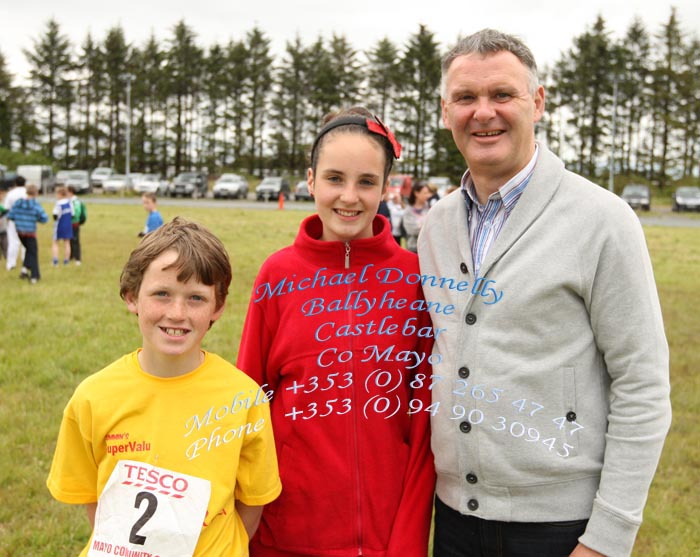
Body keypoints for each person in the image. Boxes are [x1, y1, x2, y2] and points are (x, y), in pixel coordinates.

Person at [417, 29, 672, 557]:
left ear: (537, 102)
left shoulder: (602, 220)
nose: (482, 112)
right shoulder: (435, 226)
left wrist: (607, 537)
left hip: (561, 529)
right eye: (466, 98)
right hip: (455, 521)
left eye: (501, 95)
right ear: (446, 112)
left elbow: (642, 384)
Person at [237, 107, 436, 557]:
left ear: (388, 188)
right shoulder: (277, 274)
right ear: (310, 181)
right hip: (285, 533)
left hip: (387, 536)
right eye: (334, 179)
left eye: (367, 182)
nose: (349, 196)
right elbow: (249, 399)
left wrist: (406, 540)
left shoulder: (415, 277)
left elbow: (424, 420)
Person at [47, 217, 282, 557]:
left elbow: (253, 503)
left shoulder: (244, 399)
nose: (177, 312)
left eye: (196, 299)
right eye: (161, 294)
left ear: (218, 307)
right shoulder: (93, 397)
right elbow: (93, 500)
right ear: (131, 297)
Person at [7, 184, 48, 284]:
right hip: (30, 232)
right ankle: (34, 276)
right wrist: (35, 218)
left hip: (20, 232)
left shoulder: (18, 203)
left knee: (29, 250)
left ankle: (24, 270)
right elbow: (44, 218)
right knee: (33, 252)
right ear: (36, 193)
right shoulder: (35, 205)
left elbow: (11, 215)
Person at [4, 175, 27, 271]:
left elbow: (6, 208)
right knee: (26, 243)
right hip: (26, 220)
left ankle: (11, 263)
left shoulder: (11, 193)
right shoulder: (27, 193)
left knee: (13, 241)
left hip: (14, 219)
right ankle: (25, 261)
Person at [402, 182, 432, 253]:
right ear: (416, 193)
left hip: (428, 248)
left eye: (428, 193)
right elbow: (411, 230)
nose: (428, 195)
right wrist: (429, 228)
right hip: (414, 248)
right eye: (425, 193)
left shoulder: (430, 208)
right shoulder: (408, 211)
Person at [52, 185, 73, 265]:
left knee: (55, 242)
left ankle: (55, 260)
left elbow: (55, 215)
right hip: (68, 225)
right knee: (67, 243)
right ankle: (66, 260)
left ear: (60, 194)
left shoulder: (58, 204)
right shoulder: (69, 203)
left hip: (59, 225)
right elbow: (72, 214)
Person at [67, 185, 87, 265]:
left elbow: (77, 213)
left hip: (74, 223)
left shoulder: (76, 201)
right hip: (70, 224)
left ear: (71, 192)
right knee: (70, 241)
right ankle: (71, 256)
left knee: (75, 241)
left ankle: (78, 258)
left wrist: (72, 217)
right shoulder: (71, 200)